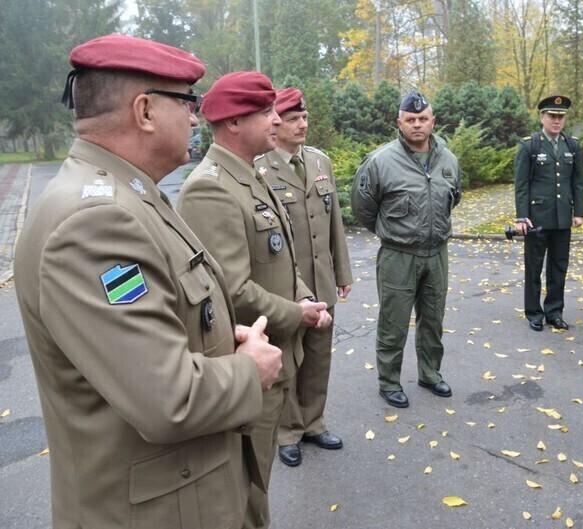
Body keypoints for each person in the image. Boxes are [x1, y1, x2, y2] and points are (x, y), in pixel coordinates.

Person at [14, 35, 283, 529]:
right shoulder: (95, 221)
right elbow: (168, 399)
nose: (198, 118)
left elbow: (158, 327)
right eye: (189, 103)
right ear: (144, 111)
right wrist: (251, 369)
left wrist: (224, 339)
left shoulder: (130, 193)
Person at [177, 72, 332, 529]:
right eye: (265, 112)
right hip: (250, 356)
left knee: (257, 482)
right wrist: (297, 314)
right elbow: (232, 290)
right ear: (233, 123)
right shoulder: (212, 187)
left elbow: (281, 258)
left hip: (276, 351)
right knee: (245, 491)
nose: (276, 118)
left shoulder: (249, 175)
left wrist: (306, 295)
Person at [256, 88, 353, 466]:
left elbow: (335, 224)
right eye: (294, 118)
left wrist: (342, 272)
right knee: (287, 359)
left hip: (321, 279)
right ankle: (288, 431)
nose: (303, 124)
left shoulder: (319, 161)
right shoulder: (261, 167)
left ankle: (314, 422)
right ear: (275, 122)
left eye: (305, 117)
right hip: (284, 287)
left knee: (318, 357)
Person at [351, 91, 462, 409]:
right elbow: (363, 207)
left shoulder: (448, 160)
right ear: (399, 122)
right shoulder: (381, 161)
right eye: (410, 120)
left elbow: (454, 197)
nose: (417, 125)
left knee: (433, 320)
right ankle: (389, 381)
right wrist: (390, 232)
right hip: (398, 255)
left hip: (437, 253)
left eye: (423, 119)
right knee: (394, 322)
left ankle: (430, 374)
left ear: (433, 122)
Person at [514, 95, 583, 331]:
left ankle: (554, 311)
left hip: (562, 218)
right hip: (537, 218)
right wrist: (521, 217)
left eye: (561, 116)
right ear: (542, 117)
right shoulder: (529, 145)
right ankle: (534, 312)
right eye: (552, 116)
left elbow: (577, 181)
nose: (557, 120)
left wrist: (579, 212)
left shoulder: (572, 145)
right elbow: (521, 185)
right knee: (534, 268)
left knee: (558, 268)